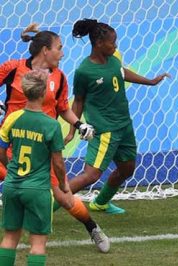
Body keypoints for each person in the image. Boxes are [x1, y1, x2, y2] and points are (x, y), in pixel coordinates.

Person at [0, 23, 110, 252]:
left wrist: (80, 124)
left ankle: (92, 227)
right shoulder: (13, 68)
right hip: (12, 145)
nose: (62, 53)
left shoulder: (59, 78)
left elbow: (62, 108)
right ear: (45, 51)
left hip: (42, 150)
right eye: (59, 48)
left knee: (64, 198)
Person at [67, 19, 170, 214]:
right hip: (104, 130)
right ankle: (45, 205)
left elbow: (121, 72)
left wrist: (150, 81)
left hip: (124, 126)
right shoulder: (84, 71)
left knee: (127, 169)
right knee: (91, 175)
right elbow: (78, 101)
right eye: (112, 42)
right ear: (98, 44)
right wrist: (73, 129)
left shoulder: (113, 60)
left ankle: (101, 202)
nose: (115, 46)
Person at [0, 70, 69, 266]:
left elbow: (1, 151)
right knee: (38, 243)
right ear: (44, 92)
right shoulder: (51, 125)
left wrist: (10, 168)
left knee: (9, 238)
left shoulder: (12, 118)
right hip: (37, 189)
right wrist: (64, 185)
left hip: (12, 186)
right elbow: (58, 163)